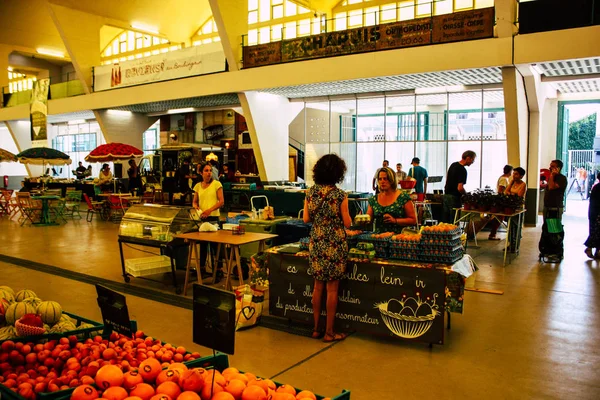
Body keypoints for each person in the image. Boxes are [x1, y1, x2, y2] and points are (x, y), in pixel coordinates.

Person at [303, 154, 352, 343]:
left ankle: (316, 329)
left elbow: (306, 219)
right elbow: (347, 223)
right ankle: (330, 332)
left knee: (317, 287)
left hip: (316, 241)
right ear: (338, 173)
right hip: (335, 244)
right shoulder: (340, 195)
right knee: (332, 290)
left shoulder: (310, 193)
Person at [192, 162, 225, 281]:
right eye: (206, 171)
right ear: (201, 173)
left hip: (213, 219)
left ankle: (219, 270)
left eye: (210, 171)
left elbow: (221, 201)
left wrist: (209, 211)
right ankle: (202, 269)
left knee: (215, 247)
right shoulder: (198, 186)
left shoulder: (217, 184)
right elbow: (195, 201)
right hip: (202, 219)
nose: (208, 173)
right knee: (203, 246)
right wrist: (197, 208)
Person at [367, 167, 417, 233]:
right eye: (380, 179)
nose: (382, 181)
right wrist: (362, 220)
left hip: (398, 240)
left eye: (385, 179)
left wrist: (395, 220)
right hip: (378, 239)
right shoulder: (374, 199)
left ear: (392, 180)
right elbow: (368, 220)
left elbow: (413, 220)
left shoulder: (403, 197)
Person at [504, 167, 527, 250]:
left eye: (516, 174)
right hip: (510, 207)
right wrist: (511, 186)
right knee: (510, 227)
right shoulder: (512, 182)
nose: (514, 175)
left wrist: (510, 194)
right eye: (513, 173)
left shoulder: (523, 184)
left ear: (521, 176)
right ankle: (510, 244)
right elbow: (505, 191)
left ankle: (515, 245)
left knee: (517, 227)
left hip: (518, 209)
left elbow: (519, 196)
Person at [584, 172, 600, 259]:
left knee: (596, 232)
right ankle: (589, 248)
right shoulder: (598, 187)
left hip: (594, 213)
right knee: (596, 232)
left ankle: (597, 251)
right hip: (597, 214)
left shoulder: (596, 187)